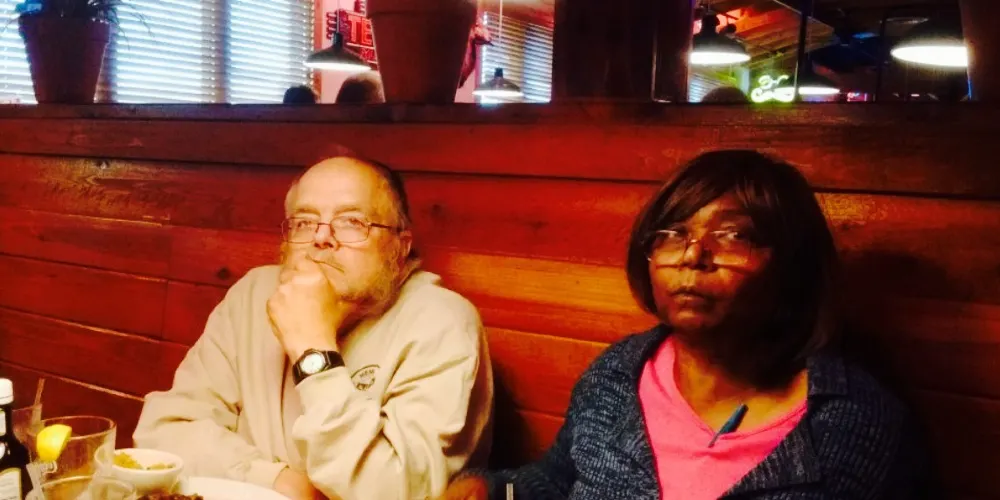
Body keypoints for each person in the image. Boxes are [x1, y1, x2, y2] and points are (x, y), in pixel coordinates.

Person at [442, 150, 928, 499]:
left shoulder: (856, 428)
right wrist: (489, 488)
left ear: (793, 265)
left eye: (733, 235)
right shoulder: (618, 376)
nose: (694, 255)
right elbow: (556, 479)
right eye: (673, 234)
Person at [135, 156, 494, 500]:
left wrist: (313, 348)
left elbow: (397, 491)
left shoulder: (442, 323)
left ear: (400, 247)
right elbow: (163, 433)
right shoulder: (253, 295)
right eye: (305, 222)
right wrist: (274, 480)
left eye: (352, 221)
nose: (321, 238)